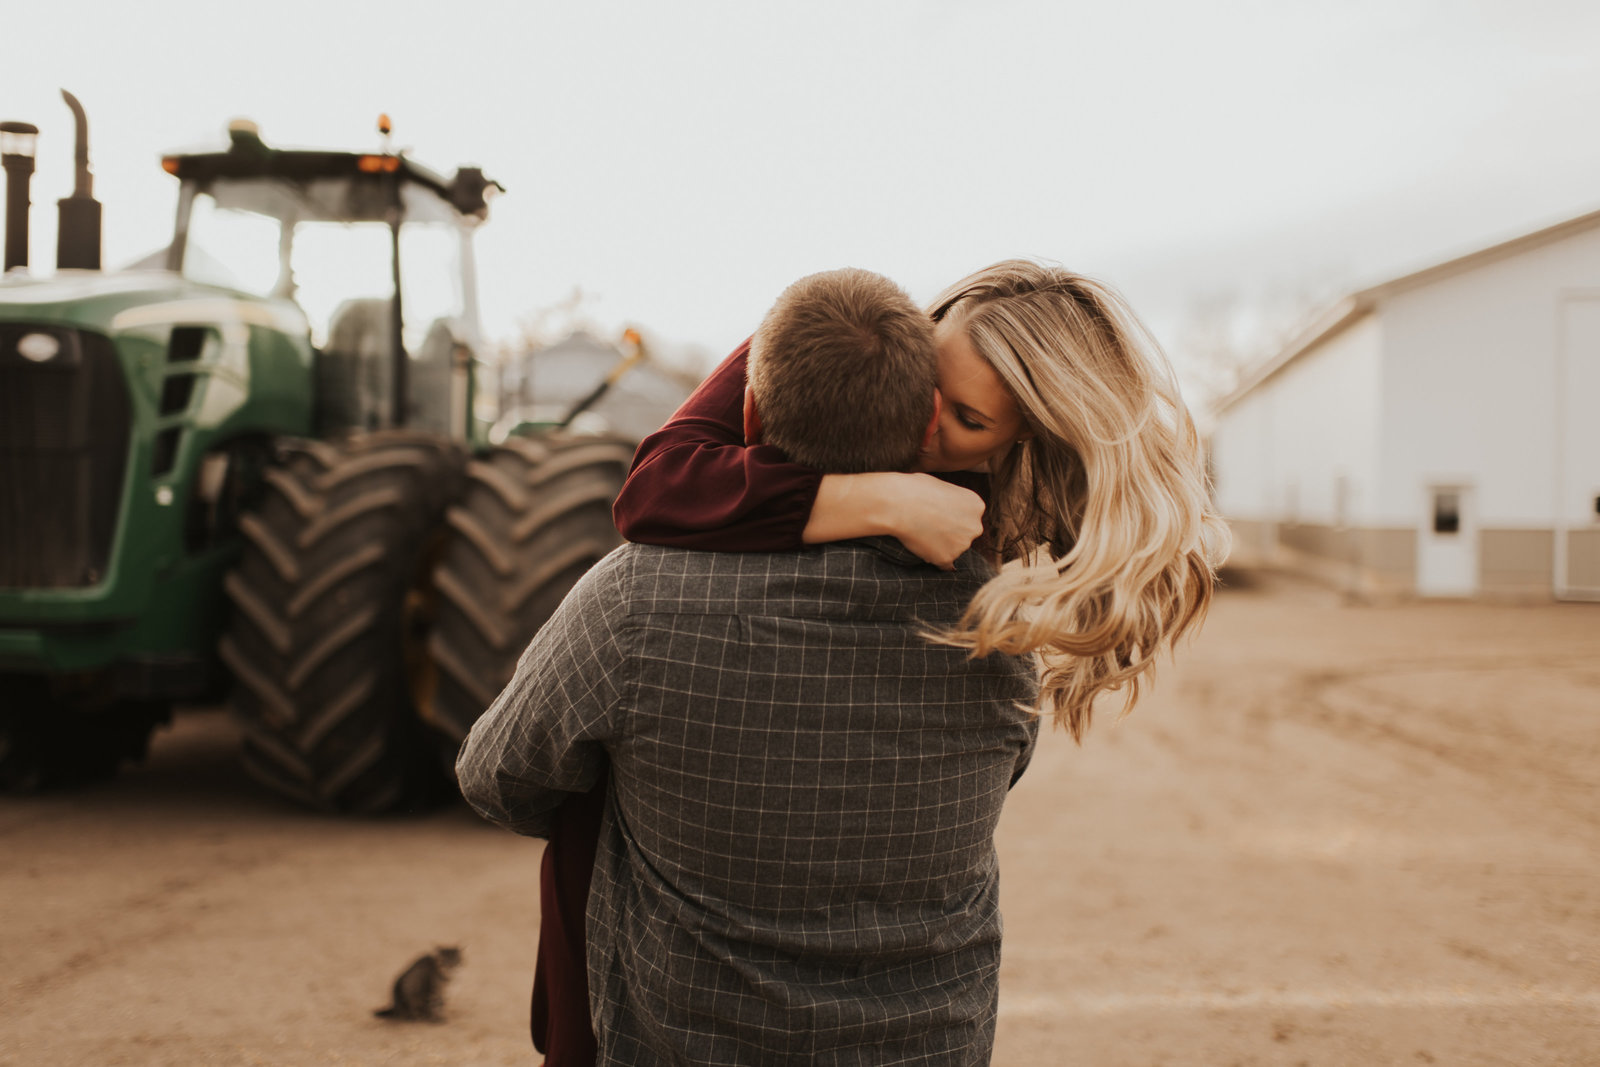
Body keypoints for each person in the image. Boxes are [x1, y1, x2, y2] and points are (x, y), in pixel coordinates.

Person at [457, 267, 1040, 1065]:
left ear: (752, 407)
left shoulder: (634, 602)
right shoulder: (1000, 624)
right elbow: (999, 773)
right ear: (923, 408)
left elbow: (500, 777)